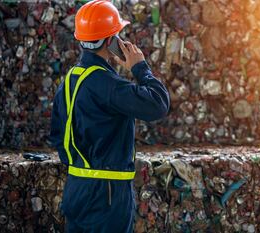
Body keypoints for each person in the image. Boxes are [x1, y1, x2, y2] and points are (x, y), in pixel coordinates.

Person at [49, 1, 170, 232]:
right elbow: (159, 104)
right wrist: (140, 68)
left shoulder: (70, 80)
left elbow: (57, 135)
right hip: (108, 195)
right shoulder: (109, 85)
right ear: (110, 41)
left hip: (76, 189)